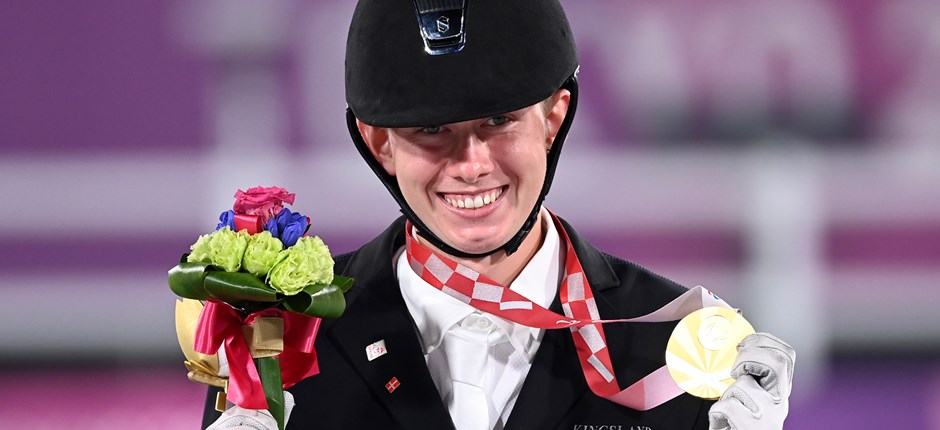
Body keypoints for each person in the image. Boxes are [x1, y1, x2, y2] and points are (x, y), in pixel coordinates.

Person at [203, 0, 796, 429]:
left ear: (554, 117)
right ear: (378, 143)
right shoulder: (278, 343)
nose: (471, 164)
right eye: (431, 129)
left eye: (498, 121)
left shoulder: (678, 348)